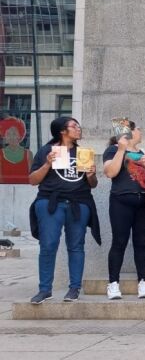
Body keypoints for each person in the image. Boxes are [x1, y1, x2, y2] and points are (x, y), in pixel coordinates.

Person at [28, 117, 100, 304]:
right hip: (51, 202)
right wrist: (47, 164)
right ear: (62, 131)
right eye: (74, 126)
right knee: (48, 245)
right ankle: (45, 290)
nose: (78, 129)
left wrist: (91, 175)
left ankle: (74, 288)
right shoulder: (47, 151)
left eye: (78, 126)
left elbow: (92, 185)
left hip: (79, 202)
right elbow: (33, 180)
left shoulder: (83, 153)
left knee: (76, 246)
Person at [102, 121, 145, 299]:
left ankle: (143, 281)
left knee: (141, 243)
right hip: (121, 201)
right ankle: (113, 283)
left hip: (143, 202)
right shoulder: (112, 150)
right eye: (137, 128)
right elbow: (110, 172)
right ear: (129, 132)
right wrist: (121, 150)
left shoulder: (144, 152)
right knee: (119, 242)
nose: (140, 131)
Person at [0, 116, 33, 183]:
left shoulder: (28, 154)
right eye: (8, 134)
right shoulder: (0, 154)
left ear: (20, 135)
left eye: (14, 133)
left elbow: (32, 178)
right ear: (4, 136)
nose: (11, 137)